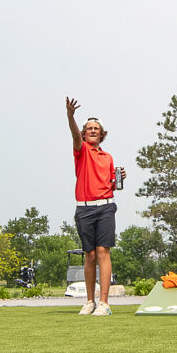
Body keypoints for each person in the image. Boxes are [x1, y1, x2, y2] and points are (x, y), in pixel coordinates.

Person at [66, 97, 117, 316]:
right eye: (89, 128)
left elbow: (112, 185)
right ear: (84, 133)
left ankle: (104, 303)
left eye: (97, 128)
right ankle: (90, 301)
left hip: (105, 207)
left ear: (101, 133)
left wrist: (119, 179)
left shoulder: (108, 157)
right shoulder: (81, 150)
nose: (93, 131)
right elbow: (74, 136)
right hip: (84, 208)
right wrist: (70, 116)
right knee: (90, 254)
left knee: (103, 251)